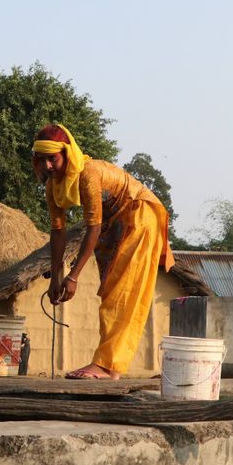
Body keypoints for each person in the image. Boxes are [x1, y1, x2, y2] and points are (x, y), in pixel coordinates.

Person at [32, 123, 174, 379]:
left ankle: (107, 366)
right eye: (42, 160)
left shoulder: (88, 174)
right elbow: (58, 233)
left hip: (139, 214)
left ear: (66, 153)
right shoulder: (53, 187)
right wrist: (55, 278)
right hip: (115, 222)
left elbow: (92, 230)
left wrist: (73, 277)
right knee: (111, 291)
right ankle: (110, 367)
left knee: (121, 292)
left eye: (52, 159)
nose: (48, 166)